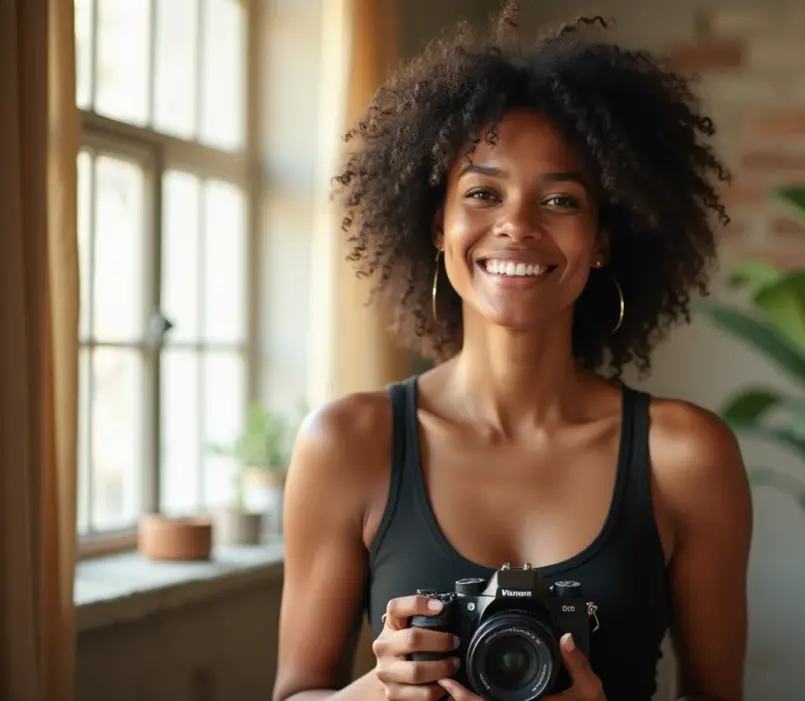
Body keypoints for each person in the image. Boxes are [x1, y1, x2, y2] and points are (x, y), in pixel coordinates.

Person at [272, 3, 752, 701]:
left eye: (560, 200)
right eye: (483, 192)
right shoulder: (348, 443)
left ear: (603, 239)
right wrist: (378, 689)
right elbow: (293, 694)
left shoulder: (685, 455)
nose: (516, 226)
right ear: (437, 223)